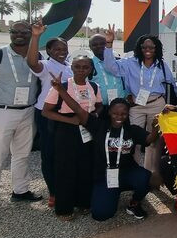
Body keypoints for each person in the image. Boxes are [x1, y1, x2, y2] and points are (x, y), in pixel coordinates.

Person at [53, 87, 160, 221]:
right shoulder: (99, 126)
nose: (119, 117)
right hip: (105, 176)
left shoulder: (132, 130)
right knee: (101, 215)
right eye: (115, 113)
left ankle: (134, 203)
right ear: (109, 112)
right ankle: (112, 193)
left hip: (127, 172)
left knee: (148, 178)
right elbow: (78, 109)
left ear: (128, 114)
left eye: (123, 114)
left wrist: (155, 126)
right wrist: (60, 90)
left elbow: (149, 140)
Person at [0, 21, 43, 220]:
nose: (19, 35)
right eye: (15, 31)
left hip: (27, 111)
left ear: (31, 33)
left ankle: (20, 190)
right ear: (10, 33)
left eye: (24, 31)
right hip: (1, 112)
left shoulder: (37, 56)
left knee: (22, 154)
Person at [102, 25, 176, 183]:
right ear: (139, 48)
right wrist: (109, 44)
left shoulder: (162, 65)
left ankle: (151, 174)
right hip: (136, 106)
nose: (148, 50)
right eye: (144, 47)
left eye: (151, 47)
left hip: (157, 103)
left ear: (156, 49)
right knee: (133, 140)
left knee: (154, 141)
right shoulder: (130, 63)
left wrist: (172, 105)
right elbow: (110, 67)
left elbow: (172, 84)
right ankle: (135, 173)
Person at [42, 61, 103, 220]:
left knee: (85, 166)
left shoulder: (94, 86)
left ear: (91, 69)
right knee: (65, 168)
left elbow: (99, 105)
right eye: (77, 67)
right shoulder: (61, 86)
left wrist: (94, 115)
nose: (81, 70)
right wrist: (70, 121)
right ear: (72, 68)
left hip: (87, 128)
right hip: (66, 128)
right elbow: (46, 112)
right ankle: (64, 208)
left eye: (85, 67)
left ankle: (83, 202)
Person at [27, 20, 73, 207]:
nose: (61, 52)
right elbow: (32, 62)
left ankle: (66, 187)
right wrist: (35, 37)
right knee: (49, 153)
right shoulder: (45, 65)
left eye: (64, 49)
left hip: (66, 114)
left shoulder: (70, 67)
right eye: (57, 49)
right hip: (47, 114)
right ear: (49, 51)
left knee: (65, 153)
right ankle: (53, 191)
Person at [89, 34, 126, 106]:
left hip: (120, 106)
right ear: (90, 47)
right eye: (95, 44)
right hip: (100, 107)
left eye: (102, 43)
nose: (99, 46)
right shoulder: (88, 64)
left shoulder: (118, 62)